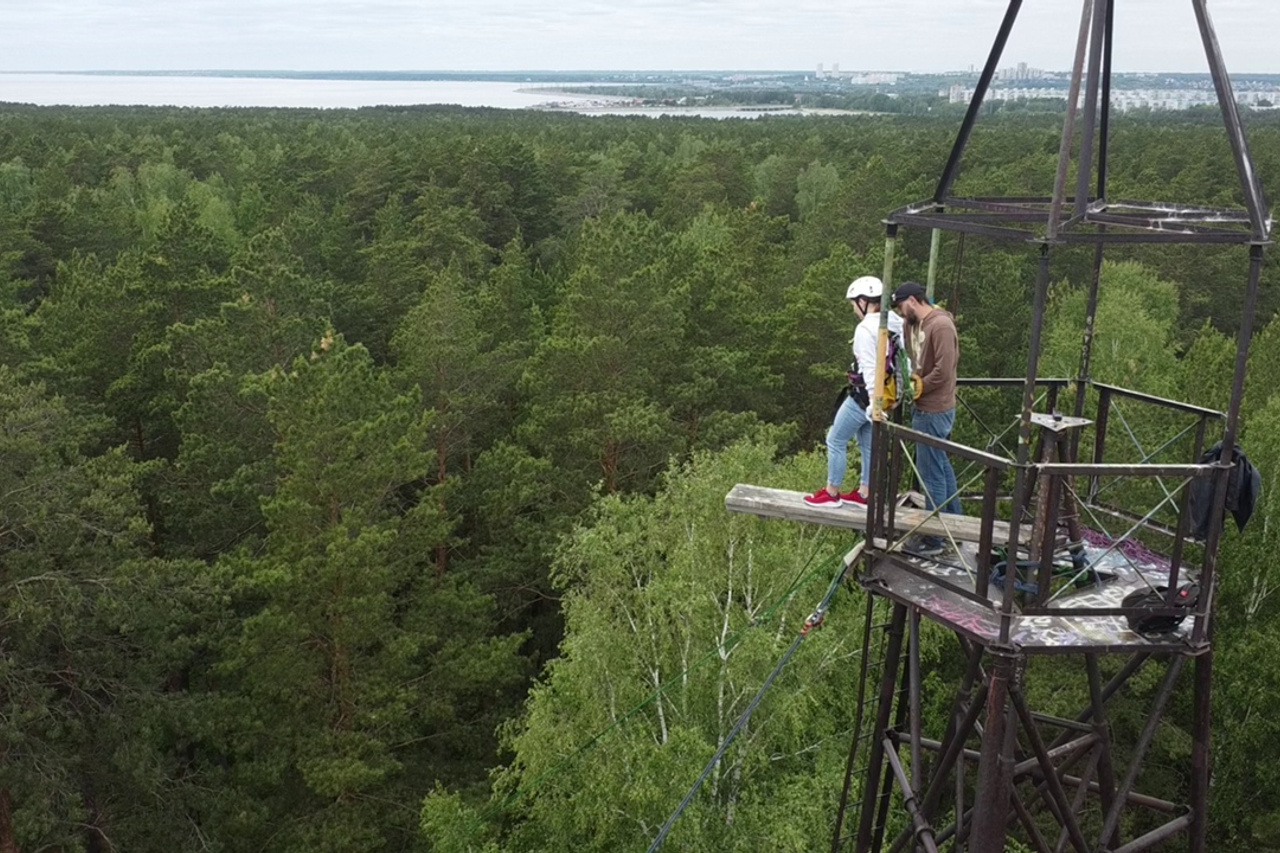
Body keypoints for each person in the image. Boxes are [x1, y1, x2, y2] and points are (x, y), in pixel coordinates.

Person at [804, 275, 905, 508]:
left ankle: (831, 493)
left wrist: (873, 402)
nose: (853, 310)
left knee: (835, 439)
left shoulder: (865, 329)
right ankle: (865, 494)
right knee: (867, 444)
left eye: (854, 304)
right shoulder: (895, 322)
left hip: (865, 397)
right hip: (890, 394)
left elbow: (870, 370)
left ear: (864, 301)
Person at [890, 281, 960, 556]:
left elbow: (945, 369)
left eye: (900, 305)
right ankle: (956, 524)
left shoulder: (940, 325)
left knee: (931, 474)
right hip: (922, 405)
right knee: (939, 466)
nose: (899, 310)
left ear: (912, 301)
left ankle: (934, 540)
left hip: (935, 407)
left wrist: (920, 385)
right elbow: (911, 358)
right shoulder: (912, 324)